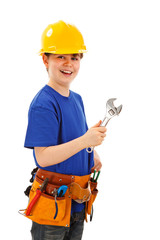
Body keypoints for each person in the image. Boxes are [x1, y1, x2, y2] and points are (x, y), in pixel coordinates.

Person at [24, 20, 107, 240]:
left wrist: (90, 151)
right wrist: (84, 142)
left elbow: (73, 140)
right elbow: (43, 157)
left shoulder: (77, 100)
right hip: (53, 206)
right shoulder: (44, 104)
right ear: (45, 59)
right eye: (60, 56)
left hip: (78, 204)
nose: (68, 63)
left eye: (74, 57)